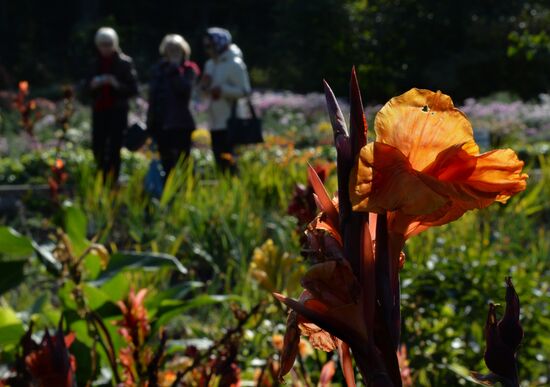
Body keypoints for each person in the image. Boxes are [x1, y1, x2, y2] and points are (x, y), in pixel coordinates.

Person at [86, 27, 138, 181]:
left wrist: (116, 84)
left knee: (115, 148)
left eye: (109, 44)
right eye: (103, 44)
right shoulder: (94, 63)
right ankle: (100, 178)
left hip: (118, 111)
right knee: (98, 147)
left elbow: (133, 88)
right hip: (99, 110)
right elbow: (84, 89)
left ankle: (113, 180)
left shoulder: (125, 63)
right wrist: (92, 85)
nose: (106, 47)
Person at [147, 34, 200, 176]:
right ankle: (168, 193)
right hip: (161, 123)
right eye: (170, 50)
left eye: (177, 49)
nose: (173, 53)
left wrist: (175, 70)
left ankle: (187, 191)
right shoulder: (158, 70)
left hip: (181, 123)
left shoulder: (189, 70)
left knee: (184, 161)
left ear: (183, 51)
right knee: (166, 162)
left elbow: (184, 90)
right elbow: (153, 97)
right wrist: (150, 122)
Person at [200, 27, 251, 173]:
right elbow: (204, 92)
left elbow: (245, 91)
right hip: (214, 121)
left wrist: (222, 90)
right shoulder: (210, 64)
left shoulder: (235, 63)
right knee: (219, 162)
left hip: (230, 121)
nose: (207, 49)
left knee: (231, 162)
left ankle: (235, 191)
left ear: (219, 44)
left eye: (209, 45)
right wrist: (203, 86)